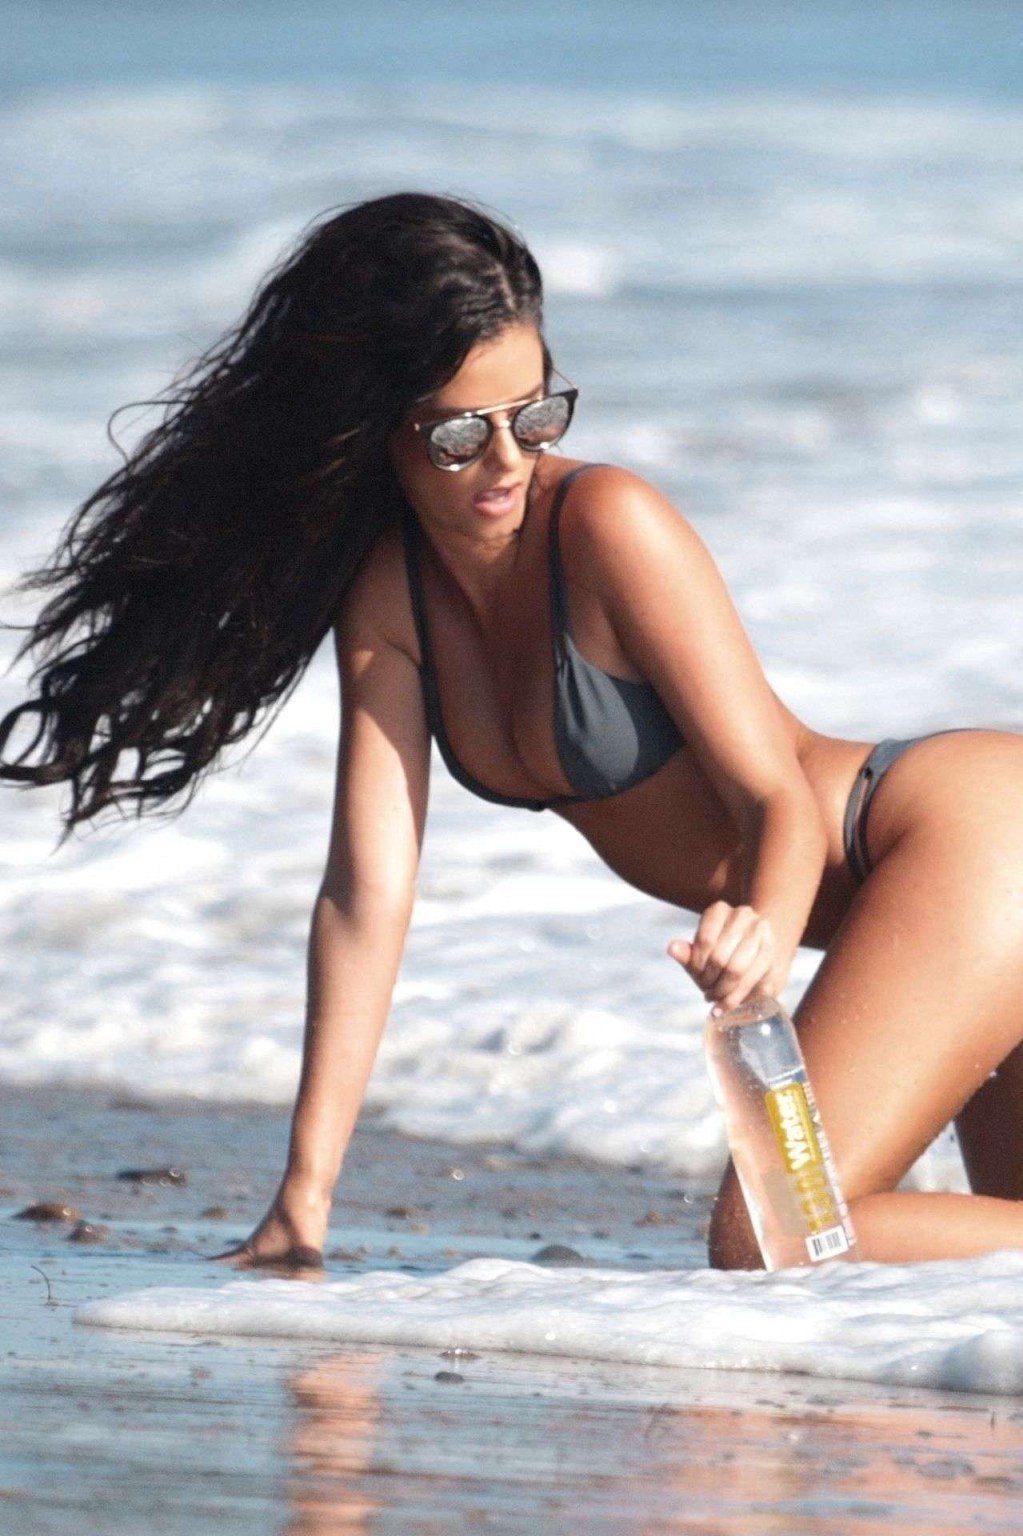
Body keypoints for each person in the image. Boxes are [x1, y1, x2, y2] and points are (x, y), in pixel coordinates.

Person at [3, 192, 1021, 1275]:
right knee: (987, 1288)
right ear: (376, 428)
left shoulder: (608, 524)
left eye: (533, 417)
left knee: (783, 1240)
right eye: (458, 433)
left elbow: (774, 797)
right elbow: (365, 894)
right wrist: (302, 1202)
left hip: (960, 844)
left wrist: (760, 948)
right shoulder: (390, 598)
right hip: (920, 906)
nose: (505, 462)